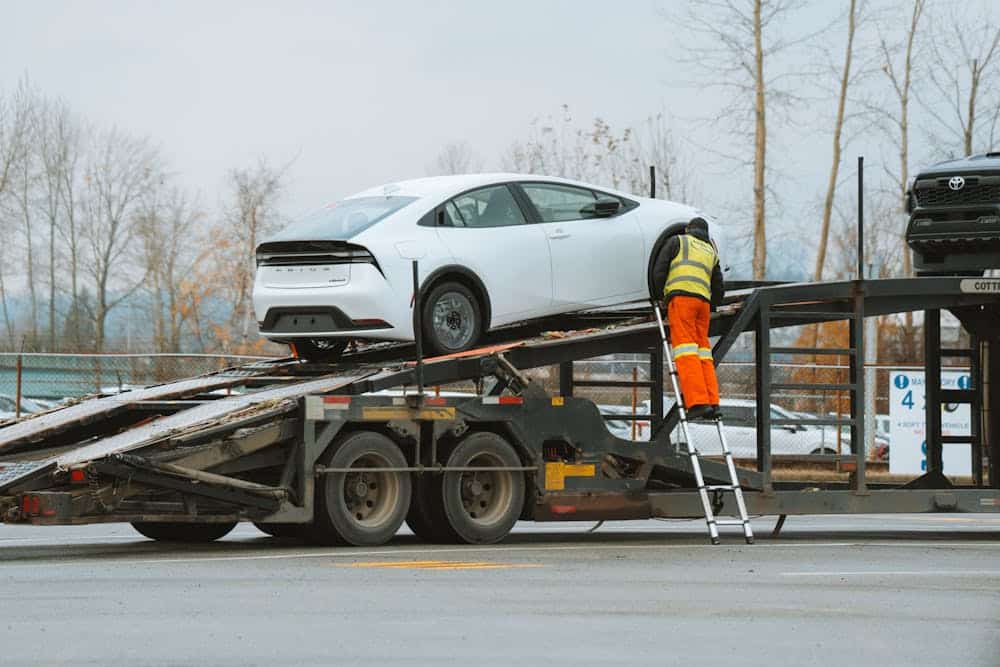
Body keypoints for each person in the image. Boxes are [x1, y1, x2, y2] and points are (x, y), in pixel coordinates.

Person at [651, 218, 724, 420]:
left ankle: (698, 402)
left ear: (688, 229)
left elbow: (659, 271)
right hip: (703, 305)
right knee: (703, 354)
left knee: (685, 351)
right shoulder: (711, 252)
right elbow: (718, 286)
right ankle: (712, 402)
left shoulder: (678, 242)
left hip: (682, 300)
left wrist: (659, 297)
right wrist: (714, 305)